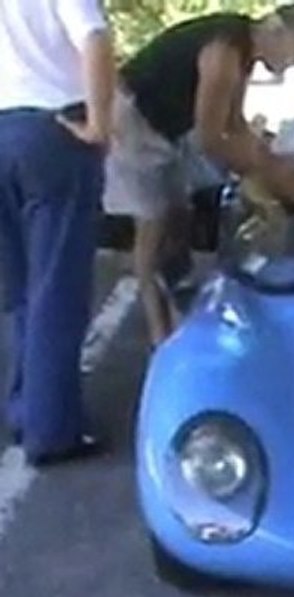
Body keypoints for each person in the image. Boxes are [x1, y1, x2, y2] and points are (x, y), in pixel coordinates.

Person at [102, 4, 294, 348]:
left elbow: (235, 125)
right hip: (134, 124)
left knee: (179, 215)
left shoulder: (243, 50)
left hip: (166, 130)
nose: (292, 67)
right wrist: (265, 179)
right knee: (154, 227)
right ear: (277, 30)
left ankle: (176, 300)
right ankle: (160, 335)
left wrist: (269, 161)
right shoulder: (223, 54)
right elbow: (210, 139)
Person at [0, 0, 116, 464]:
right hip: (50, 129)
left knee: (22, 292)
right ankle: (53, 431)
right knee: (57, 290)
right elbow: (94, 37)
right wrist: (100, 125)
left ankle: (25, 410)